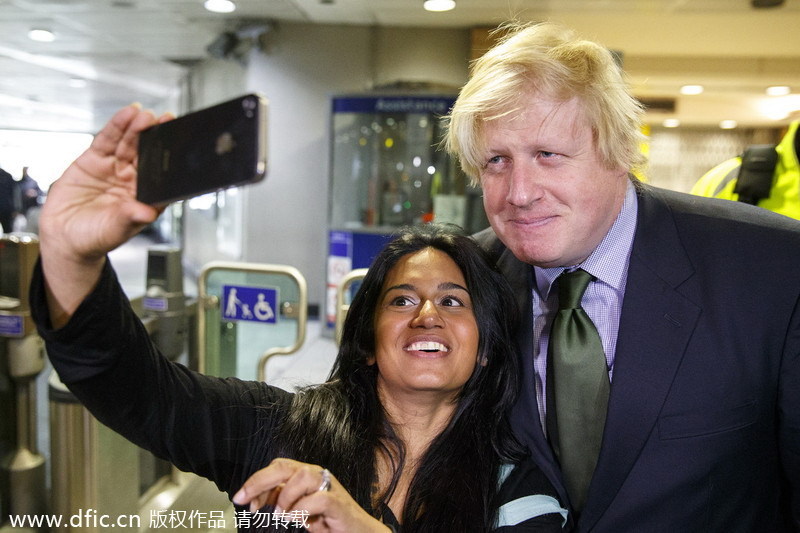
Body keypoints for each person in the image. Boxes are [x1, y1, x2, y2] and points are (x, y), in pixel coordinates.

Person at [31, 105, 568, 532]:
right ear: (366, 341)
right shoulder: (280, 432)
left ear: (489, 346)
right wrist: (69, 254)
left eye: (453, 301)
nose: (427, 314)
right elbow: (132, 388)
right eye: (401, 300)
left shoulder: (519, 491)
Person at [444, 21, 800, 532]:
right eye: (496, 161)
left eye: (548, 155)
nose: (519, 192)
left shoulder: (772, 269)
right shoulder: (462, 280)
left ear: (619, 152)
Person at [0, 165, 21, 233]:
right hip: (7, 208)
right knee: (8, 230)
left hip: (6, 208)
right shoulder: (7, 176)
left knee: (8, 230)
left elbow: (15, 193)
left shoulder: (7, 176)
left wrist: (16, 209)